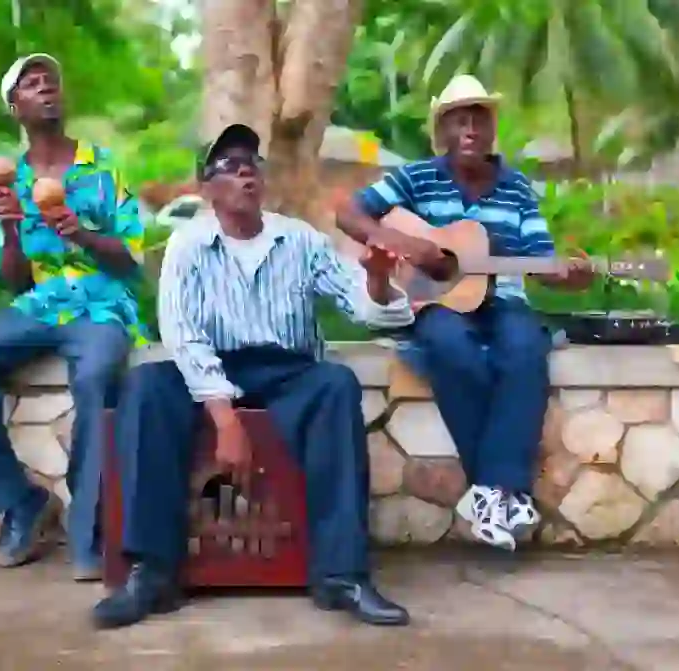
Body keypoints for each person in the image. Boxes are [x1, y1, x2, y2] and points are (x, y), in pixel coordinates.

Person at [93, 123, 442, 630]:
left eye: (251, 163)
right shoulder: (187, 246)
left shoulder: (300, 240)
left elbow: (371, 312)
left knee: (336, 387)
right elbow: (184, 336)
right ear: (207, 187)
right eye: (229, 166)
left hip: (287, 370)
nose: (244, 172)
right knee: (146, 389)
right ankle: (153, 573)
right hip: (214, 367)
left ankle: (341, 576)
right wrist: (225, 418)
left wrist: (376, 280)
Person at [336, 75, 593, 552]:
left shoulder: (516, 188)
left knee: (525, 347)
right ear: (443, 130)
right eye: (459, 119)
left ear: (492, 128)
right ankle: (503, 490)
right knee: (450, 346)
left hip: (505, 300)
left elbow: (539, 258)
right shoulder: (416, 178)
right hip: (438, 304)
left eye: (479, 118)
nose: (470, 128)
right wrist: (410, 244)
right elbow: (350, 214)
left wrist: (568, 275)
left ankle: (489, 492)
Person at [0, 53, 147, 581]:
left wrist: (81, 234)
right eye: (32, 83)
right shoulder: (5, 182)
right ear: (16, 107)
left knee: (96, 377)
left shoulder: (103, 168)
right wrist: (7, 229)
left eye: (52, 79)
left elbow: (132, 262)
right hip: (40, 304)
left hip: (101, 305)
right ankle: (21, 503)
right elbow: (13, 281)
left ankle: (90, 531)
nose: (46, 87)